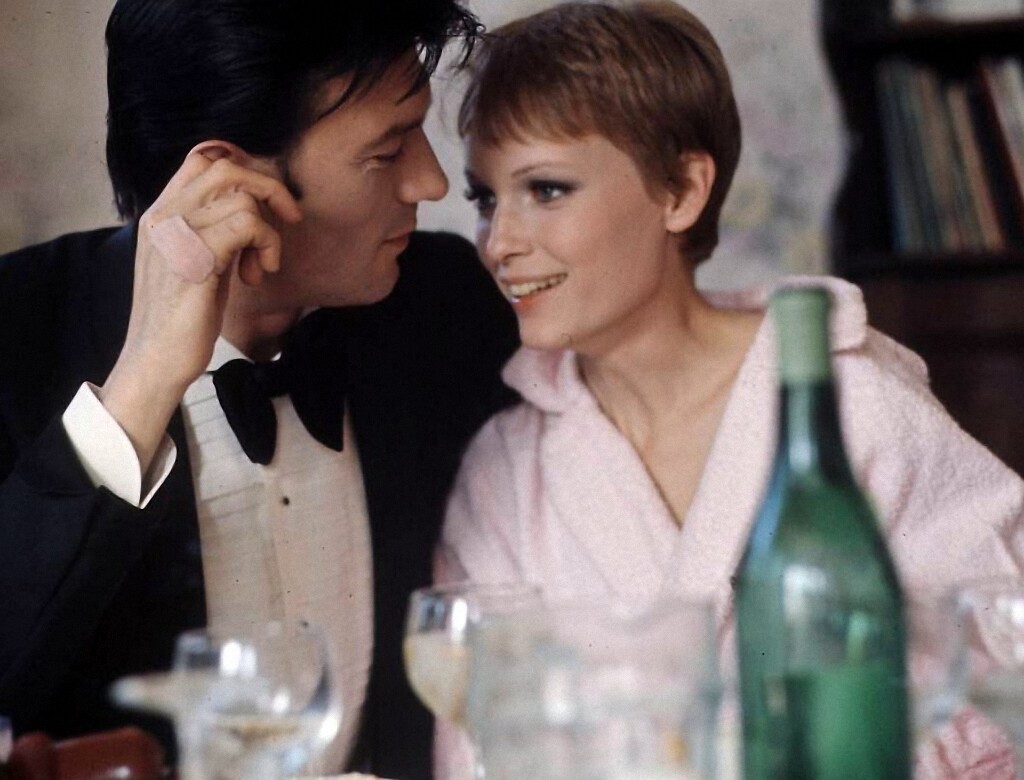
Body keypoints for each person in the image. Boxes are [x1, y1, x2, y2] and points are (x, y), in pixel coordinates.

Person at [437, 1, 1024, 776]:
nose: (500, 242)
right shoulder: (506, 471)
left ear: (682, 190)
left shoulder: (850, 408)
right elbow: (476, 748)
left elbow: (1005, 675)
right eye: (485, 199)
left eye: (546, 190)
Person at [0, 1, 519, 777]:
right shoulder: (17, 331)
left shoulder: (448, 309)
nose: (430, 180)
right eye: (386, 152)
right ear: (227, 177)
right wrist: (141, 385)